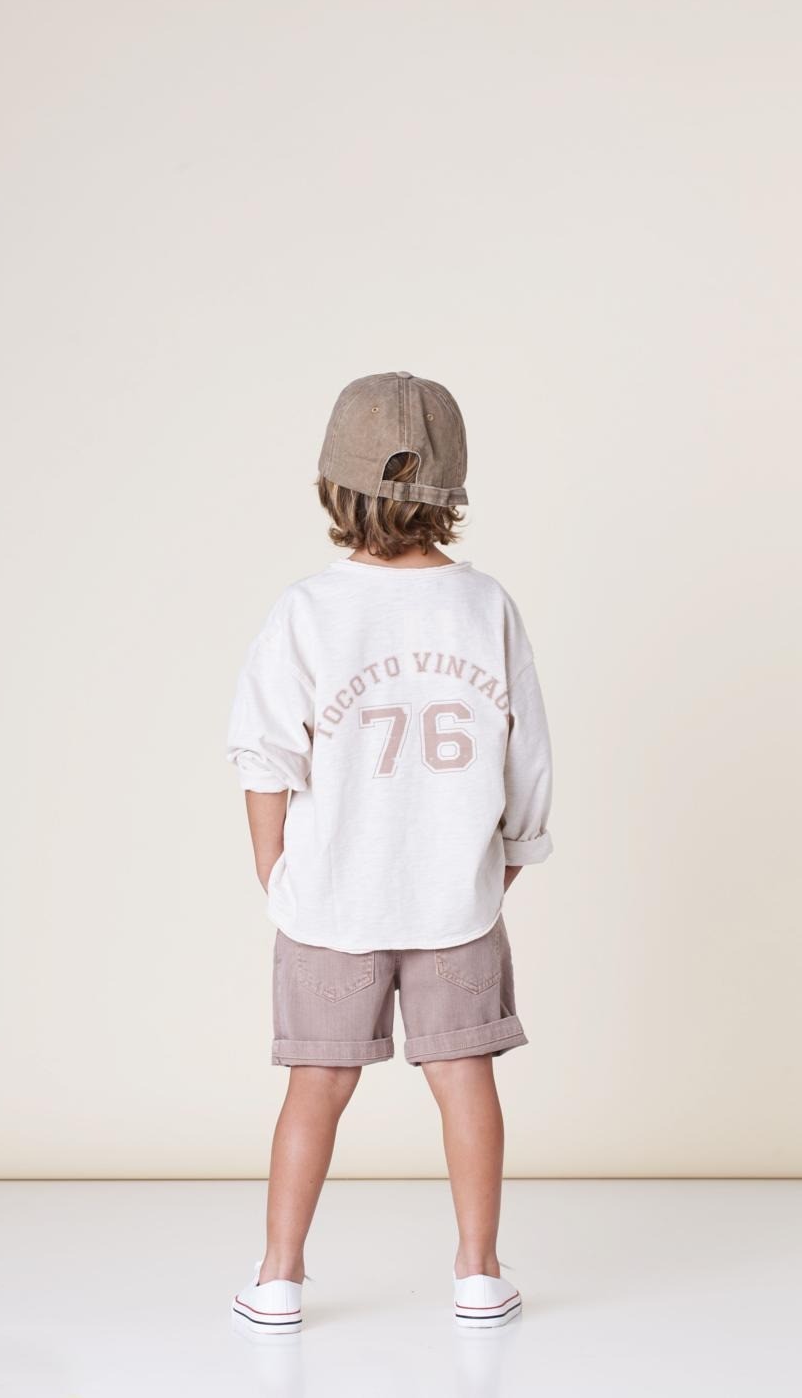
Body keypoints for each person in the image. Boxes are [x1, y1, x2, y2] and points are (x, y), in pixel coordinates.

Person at [224, 371, 554, 1334]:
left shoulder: (308, 608)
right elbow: (528, 753)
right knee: (466, 1078)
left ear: (334, 483)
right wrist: (506, 860)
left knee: (316, 1087)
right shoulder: (485, 605)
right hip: (458, 897)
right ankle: (479, 1274)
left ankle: (279, 1279)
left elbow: (263, 753)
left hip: (331, 897)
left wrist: (275, 871)